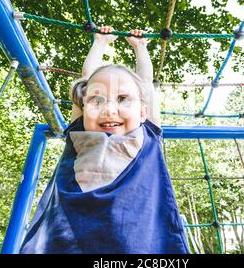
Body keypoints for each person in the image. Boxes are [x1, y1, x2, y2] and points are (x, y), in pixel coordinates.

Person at [19, 26, 190, 254]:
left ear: (142, 112)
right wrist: (99, 43)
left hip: (135, 244)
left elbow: (146, 84)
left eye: (122, 99)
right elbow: (86, 80)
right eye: (97, 100)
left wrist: (140, 48)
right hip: (67, 242)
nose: (109, 110)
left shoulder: (147, 134)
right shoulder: (80, 136)